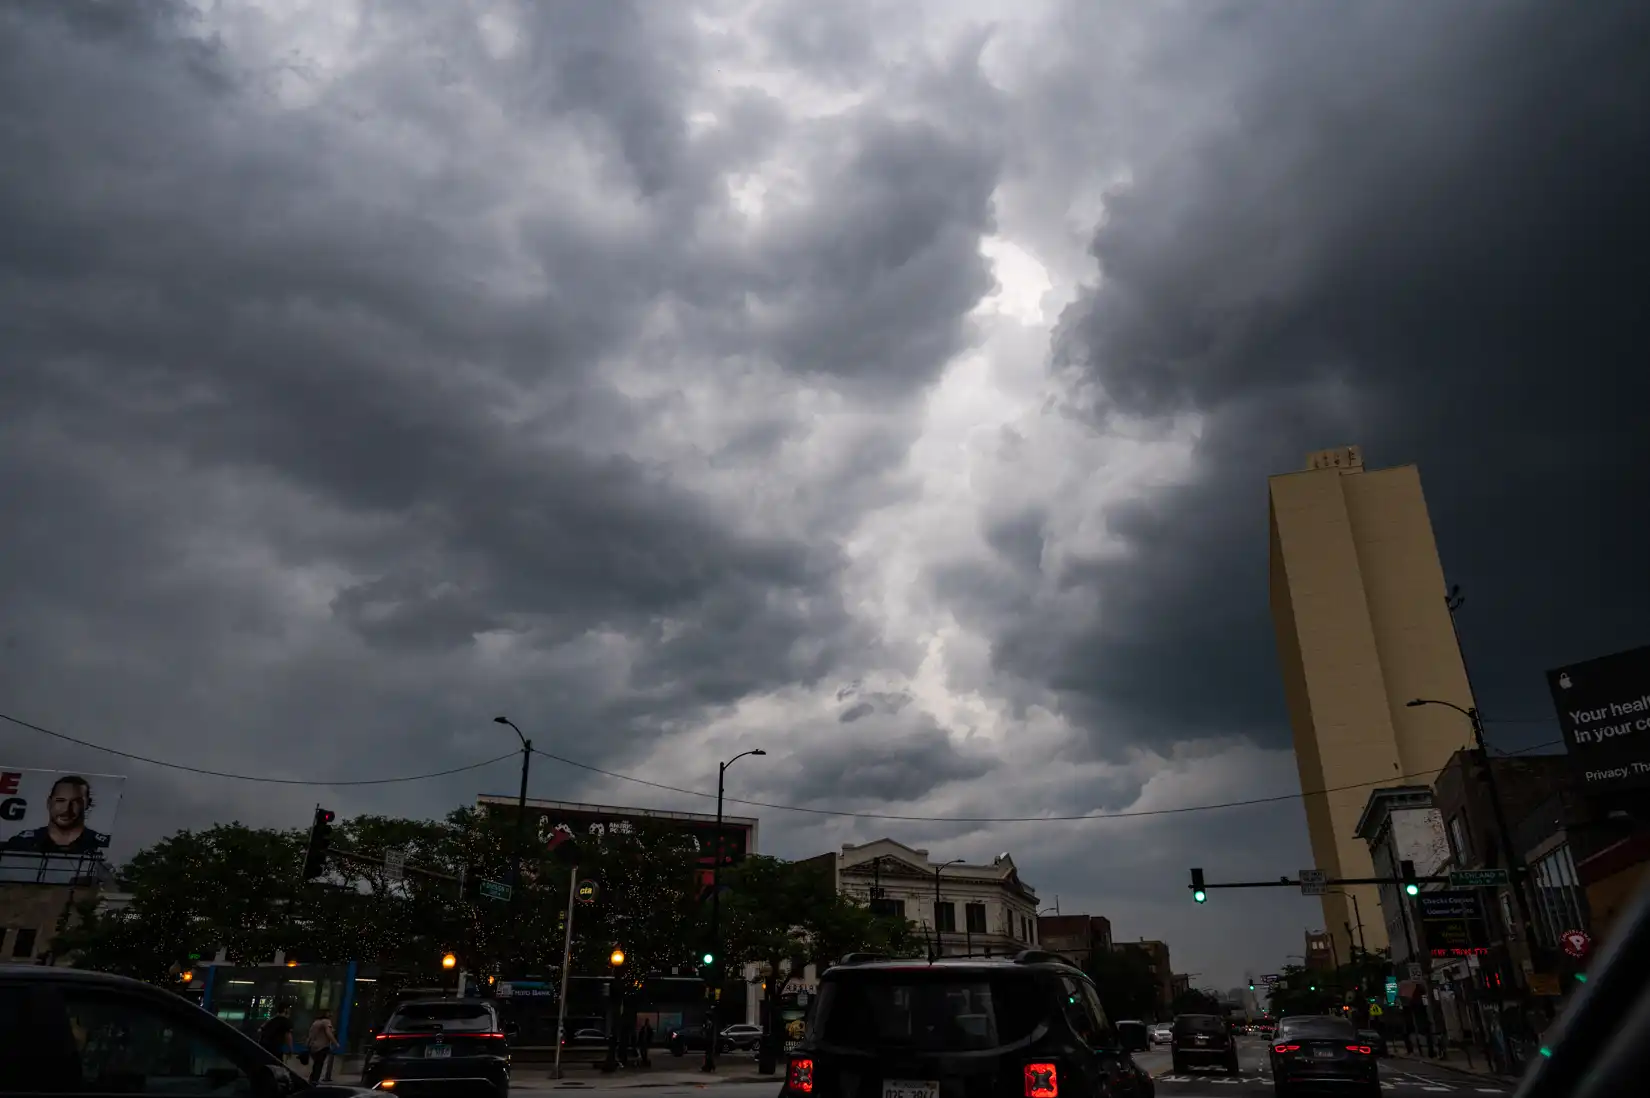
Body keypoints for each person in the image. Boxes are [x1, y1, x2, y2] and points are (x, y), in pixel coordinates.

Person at [1, 775, 111, 855]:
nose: (67, 809)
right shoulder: (22, 842)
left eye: (76, 801)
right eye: (60, 800)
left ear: (88, 804)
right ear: (49, 803)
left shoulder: (101, 845)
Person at [306, 1011, 338, 1084]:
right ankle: (315, 1081)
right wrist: (335, 1043)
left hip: (313, 1047)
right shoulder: (326, 1022)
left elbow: (310, 1035)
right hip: (322, 1047)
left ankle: (312, 1080)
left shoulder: (315, 1022)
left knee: (316, 1065)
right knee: (319, 1065)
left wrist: (308, 1045)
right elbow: (328, 1033)